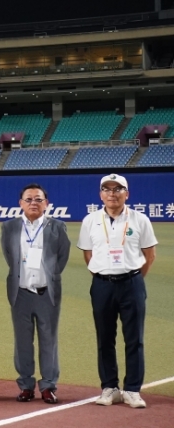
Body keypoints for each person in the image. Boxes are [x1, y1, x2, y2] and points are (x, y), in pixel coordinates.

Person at [79, 174, 157, 409]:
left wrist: (133, 278)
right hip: (102, 284)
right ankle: (109, 387)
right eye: (107, 189)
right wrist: (104, 275)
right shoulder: (90, 220)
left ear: (127, 193)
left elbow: (150, 255)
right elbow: (88, 254)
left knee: (134, 339)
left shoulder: (140, 219)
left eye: (117, 189)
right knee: (105, 338)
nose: (112, 194)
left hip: (131, 283)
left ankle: (132, 389)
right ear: (101, 194)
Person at [0, 183, 70, 405]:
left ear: (46, 203)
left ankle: (48, 386)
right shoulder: (10, 227)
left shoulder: (57, 226)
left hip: (46, 292)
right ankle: (26, 385)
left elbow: (62, 256)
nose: (33, 203)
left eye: (38, 199)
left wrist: (49, 275)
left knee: (49, 340)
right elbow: (9, 255)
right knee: (22, 341)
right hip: (20, 292)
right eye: (28, 199)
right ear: (20, 203)